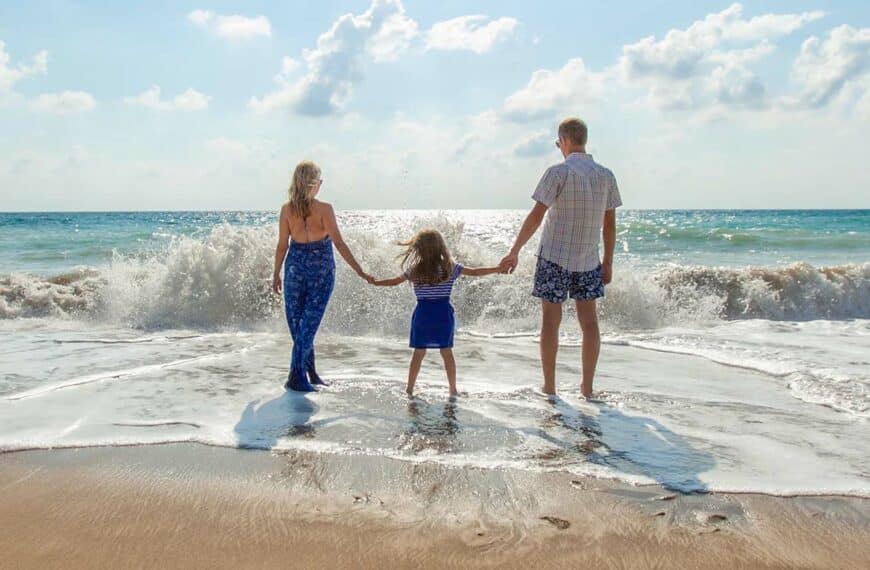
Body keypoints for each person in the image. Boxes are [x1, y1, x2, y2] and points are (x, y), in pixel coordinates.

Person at [500, 118, 622, 398]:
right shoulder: (606, 175)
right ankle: (587, 388)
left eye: (558, 143)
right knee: (589, 323)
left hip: (554, 257)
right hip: (589, 260)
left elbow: (536, 216)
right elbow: (610, 226)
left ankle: (550, 387)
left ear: (564, 140)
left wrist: (515, 250)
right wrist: (609, 262)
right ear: (584, 139)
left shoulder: (558, 172)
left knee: (550, 322)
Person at [272, 160, 372, 392]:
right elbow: (338, 242)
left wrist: (276, 273)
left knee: (302, 325)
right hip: (320, 271)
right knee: (304, 326)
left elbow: (282, 246)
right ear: (315, 183)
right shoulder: (324, 209)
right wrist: (359, 270)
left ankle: (310, 373)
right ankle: (297, 376)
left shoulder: (287, 209)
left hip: (296, 268)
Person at [370, 229, 502, 397]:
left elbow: (394, 282)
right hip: (443, 315)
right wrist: (498, 269)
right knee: (446, 352)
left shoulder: (415, 270)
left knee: (418, 353)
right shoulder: (450, 268)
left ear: (419, 249)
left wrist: (375, 282)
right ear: (441, 247)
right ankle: (453, 389)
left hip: (423, 315)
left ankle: (409, 389)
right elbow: (475, 272)